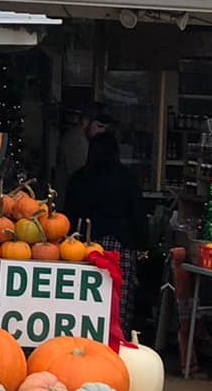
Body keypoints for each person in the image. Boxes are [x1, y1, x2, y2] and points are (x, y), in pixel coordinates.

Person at [61, 131, 149, 322]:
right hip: (121, 245)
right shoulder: (127, 178)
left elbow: (68, 216)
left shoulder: (78, 178)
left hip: (85, 246)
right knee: (119, 300)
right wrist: (143, 243)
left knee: (85, 299)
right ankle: (118, 335)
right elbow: (138, 214)